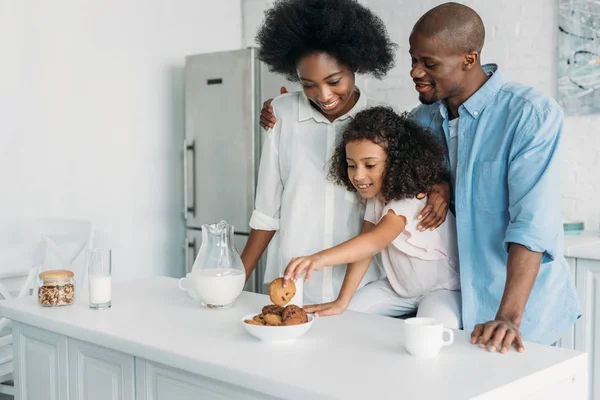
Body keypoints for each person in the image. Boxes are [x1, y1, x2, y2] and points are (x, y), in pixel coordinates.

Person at [259, 2, 581, 353]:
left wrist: (508, 316)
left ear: (468, 60)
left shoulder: (528, 115)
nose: (414, 72)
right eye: (413, 59)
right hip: (451, 304)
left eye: (428, 63)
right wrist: (439, 182)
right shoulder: (421, 120)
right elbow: (405, 181)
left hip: (517, 311)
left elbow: (531, 224)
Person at [240, 0, 399, 305]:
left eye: (334, 81)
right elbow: (266, 210)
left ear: (356, 63)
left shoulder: (380, 122)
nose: (323, 96)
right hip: (290, 282)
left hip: (360, 287)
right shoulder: (281, 113)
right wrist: (237, 280)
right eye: (308, 84)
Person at [283, 107, 462, 329]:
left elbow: (374, 241)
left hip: (441, 290)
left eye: (370, 165)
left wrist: (317, 259)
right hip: (399, 290)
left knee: (430, 333)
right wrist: (342, 301)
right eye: (351, 165)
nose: (358, 175)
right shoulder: (376, 199)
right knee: (343, 317)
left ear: (397, 162)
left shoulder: (411, 199)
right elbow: (365, 247)